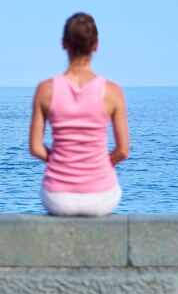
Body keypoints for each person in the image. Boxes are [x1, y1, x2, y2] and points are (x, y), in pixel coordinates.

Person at [29, 12, 129, 216]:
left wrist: (59, 160)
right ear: (96, 45)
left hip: (58, 196)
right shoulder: (112, 91)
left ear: (64, 44)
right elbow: (123, 150)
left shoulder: (45, 90)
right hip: (101, 196)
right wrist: (98, 166)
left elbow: (35, 148)